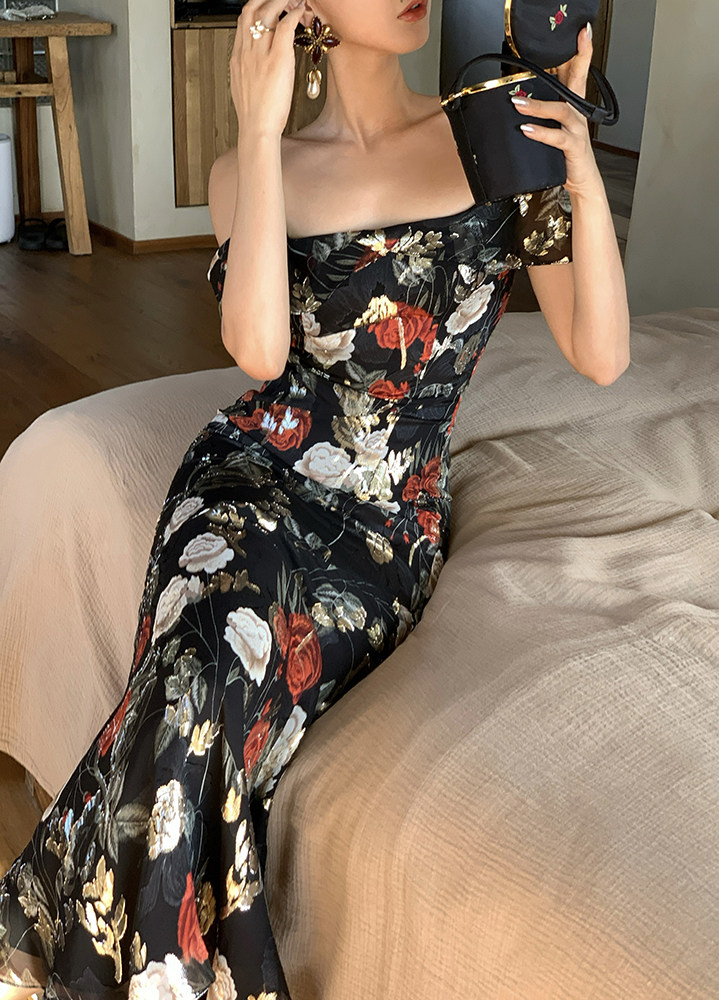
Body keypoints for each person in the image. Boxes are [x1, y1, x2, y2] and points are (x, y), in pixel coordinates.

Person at [0, 1, 630, 997]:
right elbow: (257, 352)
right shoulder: (250, 168)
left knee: (202, 686)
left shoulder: (496, 133)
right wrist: (258, 133)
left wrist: (580, 170)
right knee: (199, 666)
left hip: (384, 523)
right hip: (244, 482)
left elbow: (601, 353)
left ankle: (35, 955)